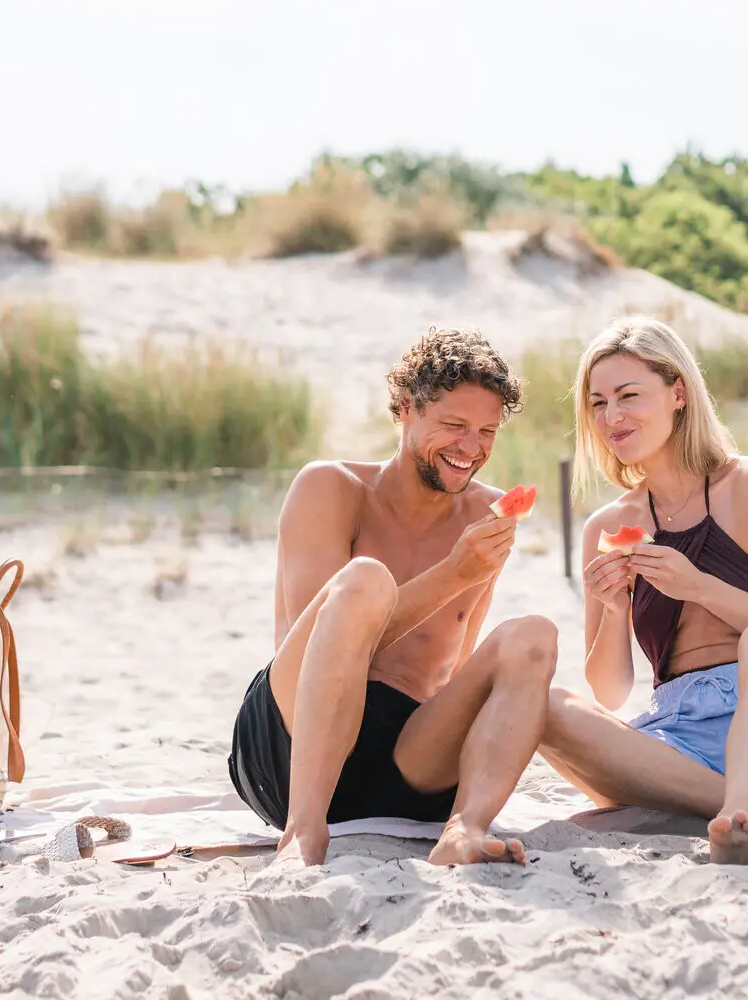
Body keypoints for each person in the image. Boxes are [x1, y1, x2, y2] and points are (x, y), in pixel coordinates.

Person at [227, 329, 558, 867]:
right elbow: (322, 646)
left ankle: (463, 829)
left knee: (533, 634)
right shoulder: (331, 489)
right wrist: (454, 573)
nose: (470, 449)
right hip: (290, 752)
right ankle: (303, 834)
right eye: (453, 426)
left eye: (486, 431)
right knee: (365, 581)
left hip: (406, 763)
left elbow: (455, 658)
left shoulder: (489, 514)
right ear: (405, 409)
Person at [540, 316, 748, 864]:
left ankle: (745, 808)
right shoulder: (606, 526)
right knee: (542, 705)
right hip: (681, 738)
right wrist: (615, 609)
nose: (611, 417)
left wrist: (700, 587)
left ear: (678, 392)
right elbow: (610, 693)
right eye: (597, 403)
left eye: (628, 395)